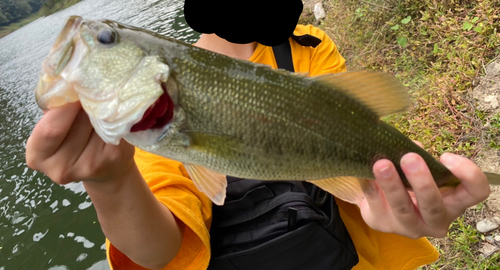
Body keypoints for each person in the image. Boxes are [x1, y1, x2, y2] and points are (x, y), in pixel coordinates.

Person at [26, 21, 491, 270]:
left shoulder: (309, 48)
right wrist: (110, 182)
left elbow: (354, 138)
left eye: (106, 40)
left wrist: (396, 199)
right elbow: (158, 251)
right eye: (107, 39)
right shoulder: (149, 121)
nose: (91, 42)